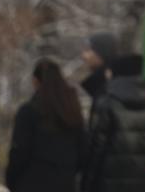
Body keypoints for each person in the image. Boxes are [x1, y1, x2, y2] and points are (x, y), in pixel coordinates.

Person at [81, 54, 145, 192]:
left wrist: (87, 183)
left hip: (109, 184)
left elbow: (96, 148)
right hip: (141, 184)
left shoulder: (107, 104)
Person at [5, 58, 88, 192]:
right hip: (65, 184)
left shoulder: (29, 111)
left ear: (35, 81)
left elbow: (18, 153)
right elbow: (83, 154)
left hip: (31, 184)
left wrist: (11, 182)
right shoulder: (72, 113)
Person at [80, 32, 118, 105]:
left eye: (88, 50)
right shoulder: (100, 83)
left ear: (102, 52)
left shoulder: (112, 86)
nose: (83, 56)